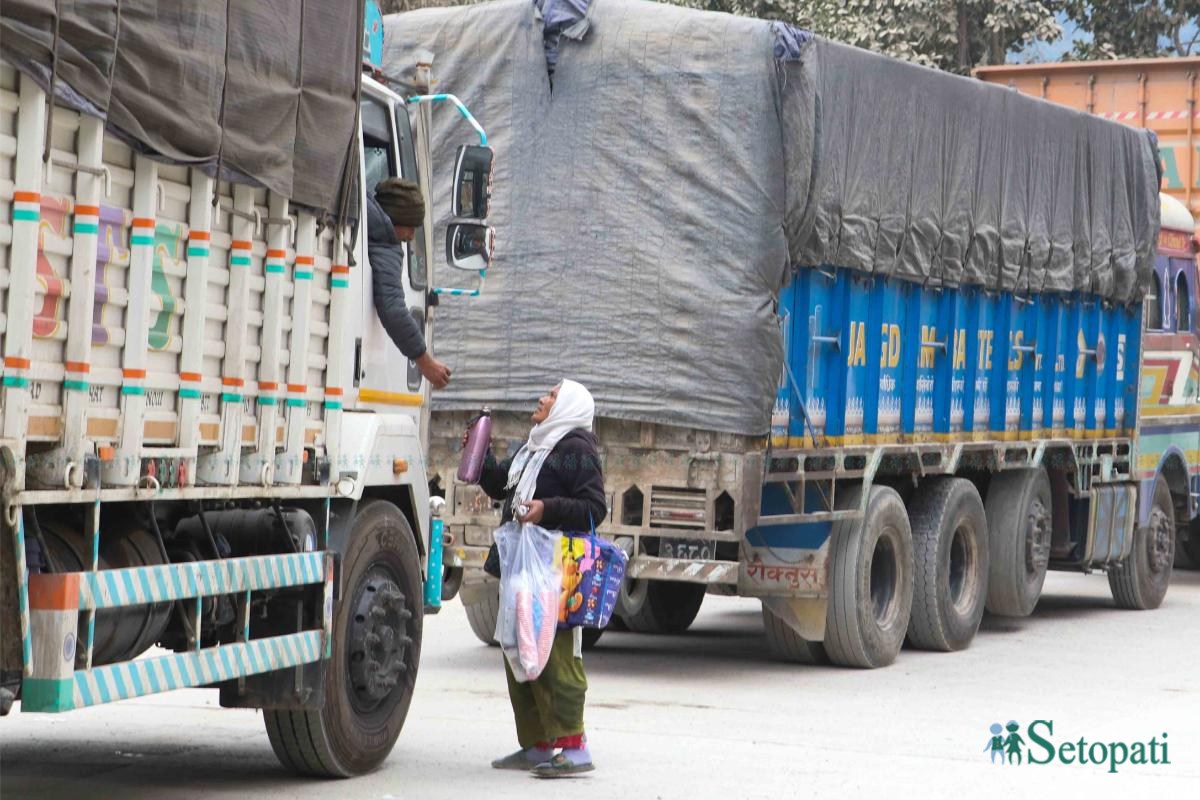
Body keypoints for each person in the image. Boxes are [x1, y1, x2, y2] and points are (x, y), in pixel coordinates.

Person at [477, 380, 607, 777]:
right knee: (519, 651)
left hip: (553, 570)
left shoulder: (576, 449)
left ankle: (574, 745)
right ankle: (539, 743)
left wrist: (545, 508)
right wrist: (479, 453)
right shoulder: (535, 445)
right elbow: (503, 485)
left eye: (551, 396)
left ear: (566, 406)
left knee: (556, 656)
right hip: (522, 566)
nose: (541, 399)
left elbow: (593, 507)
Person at [366, 177, 452, 388]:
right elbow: (392, 307)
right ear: (394, 219)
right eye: (410, 227)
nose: (411, 236)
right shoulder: (384, 242)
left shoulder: (371, 227)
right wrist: (425, 362)